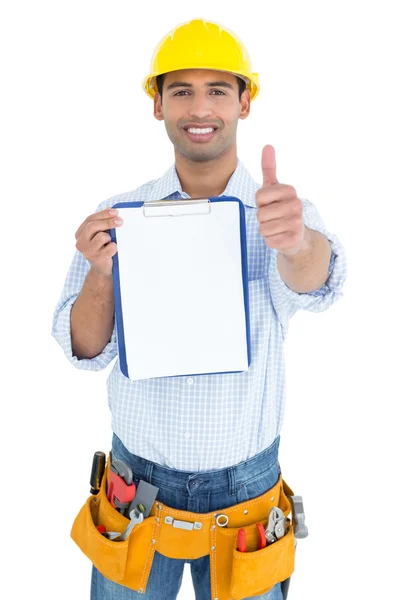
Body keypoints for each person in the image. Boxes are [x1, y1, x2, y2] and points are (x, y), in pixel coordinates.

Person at [52, 18, 347, 600]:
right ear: (157, 105)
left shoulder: (280, 213)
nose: (199, 107)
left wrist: (298, 242)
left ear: (244, 101)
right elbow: (84, 350)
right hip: (135, 493)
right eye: (181, 90)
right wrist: (99, 275)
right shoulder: (117, 215)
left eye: (217, 89)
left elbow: (317, 284)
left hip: (248, 499)